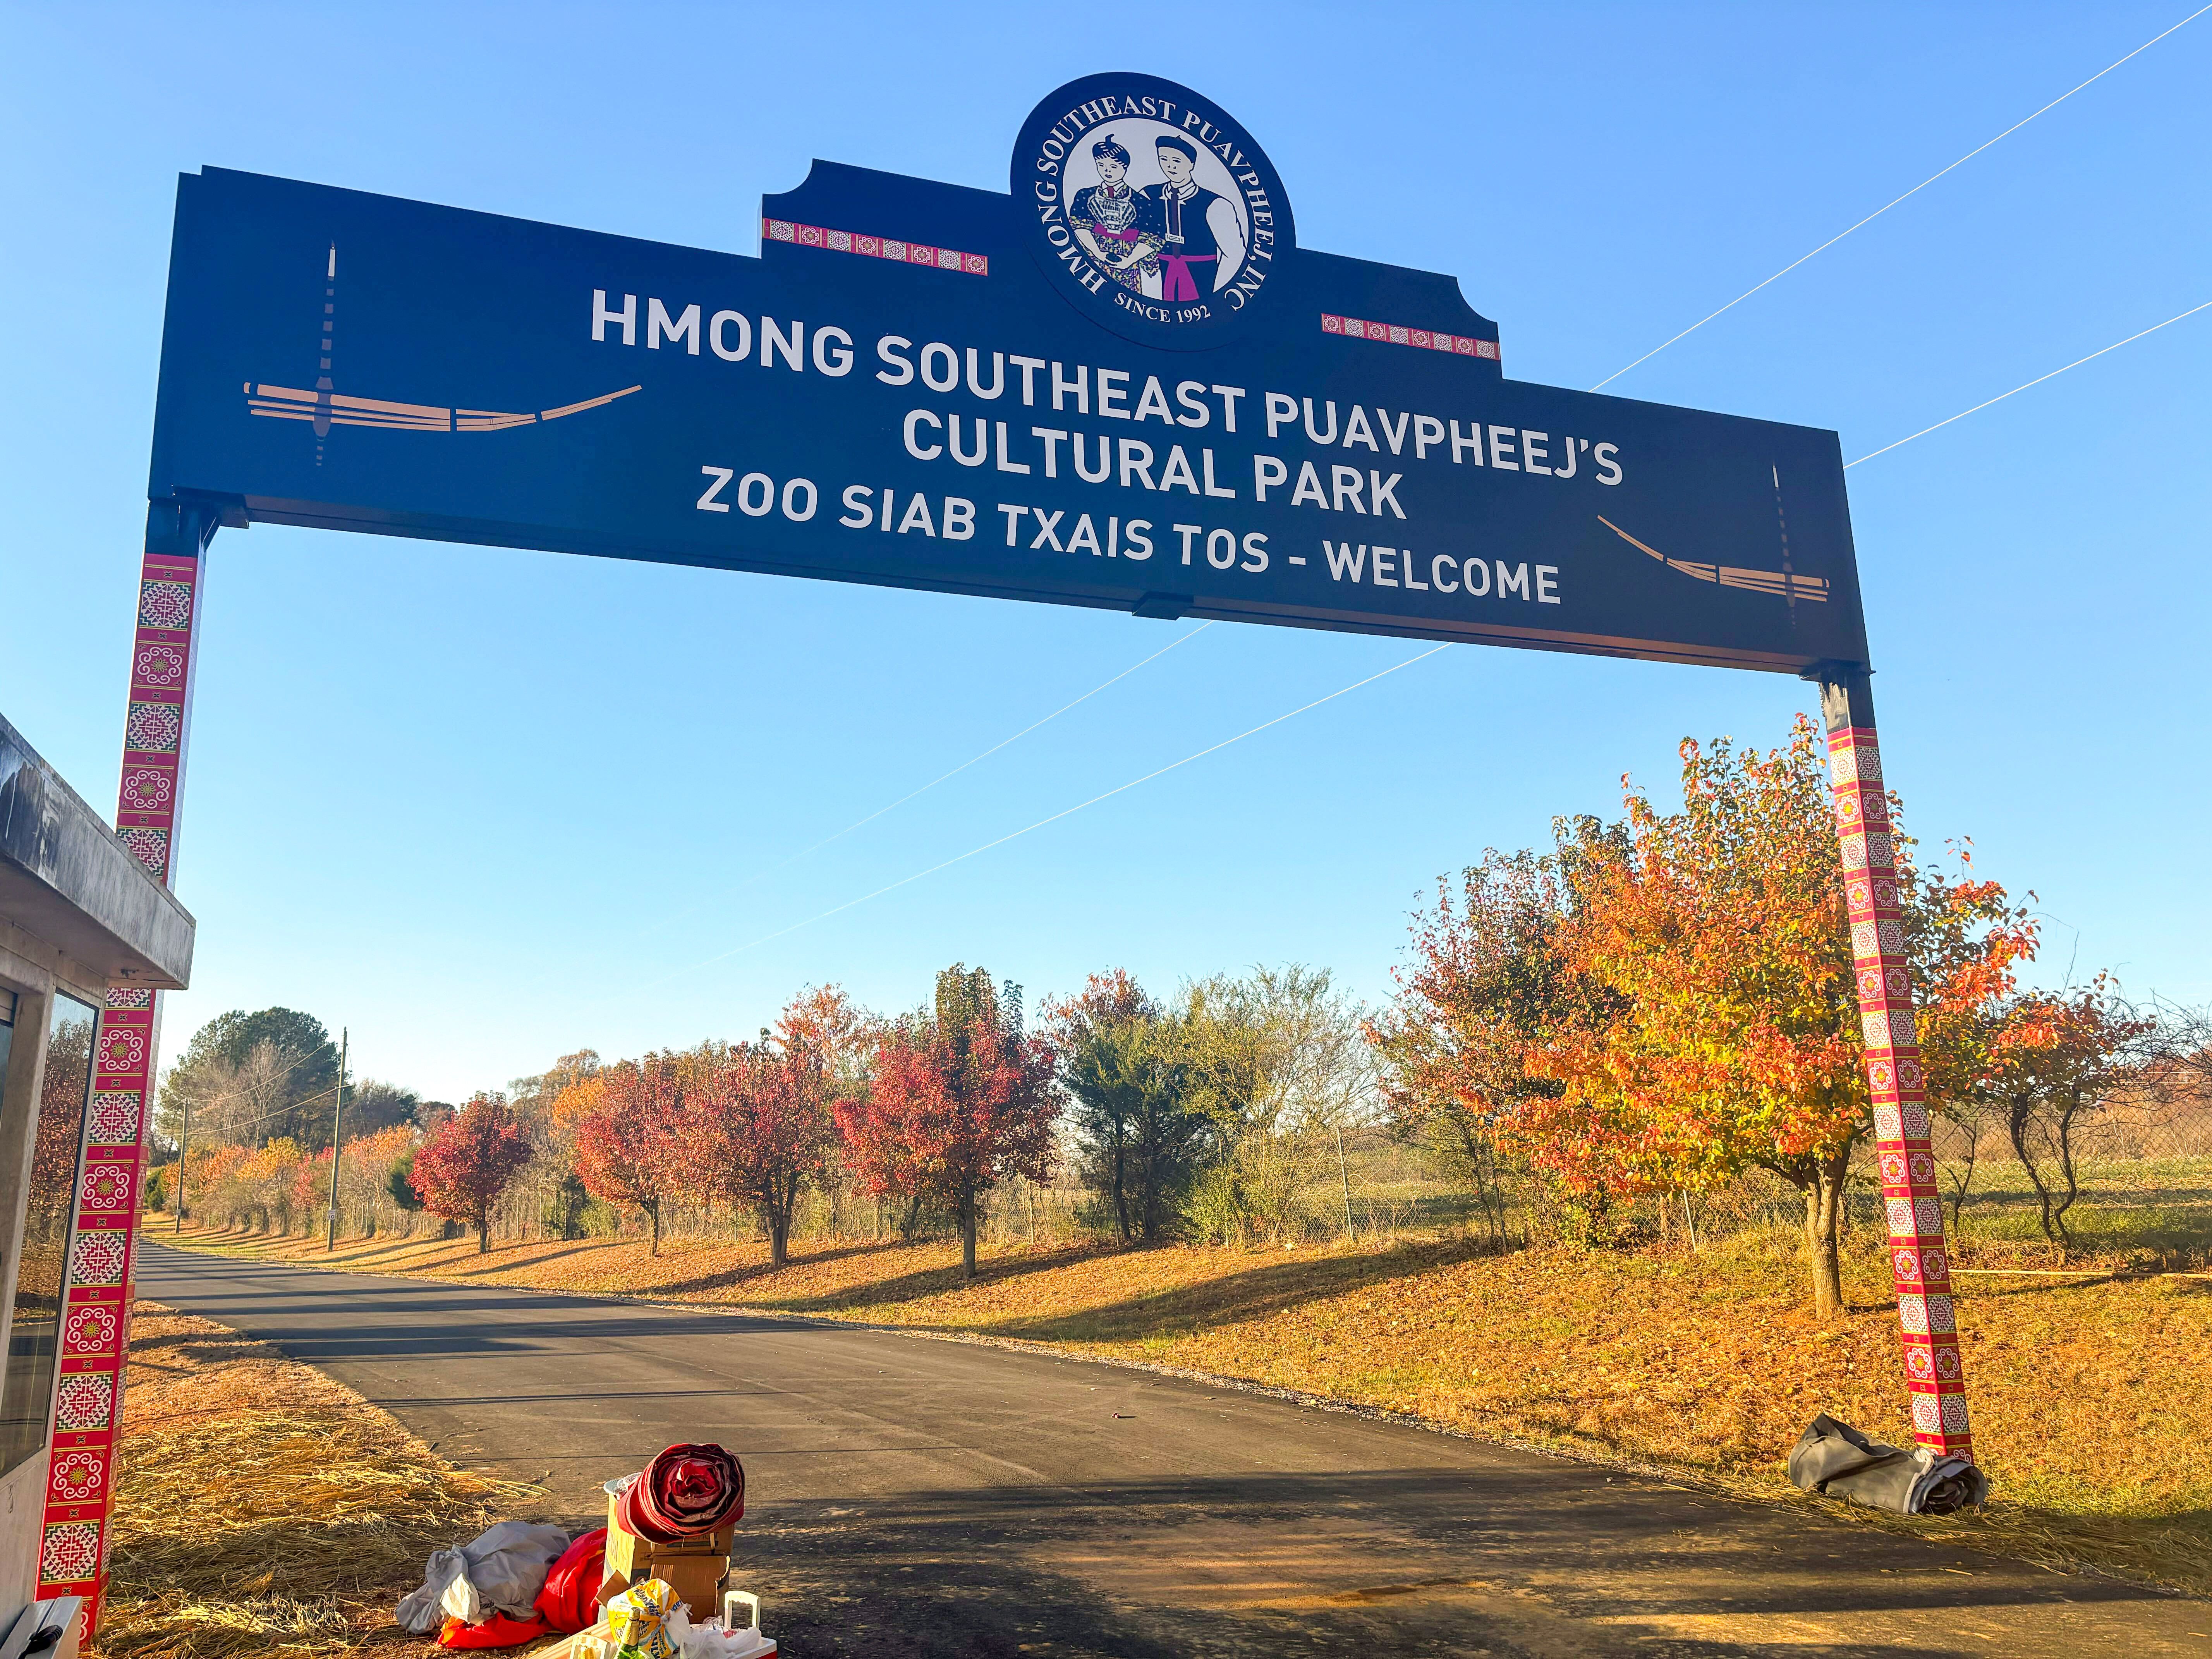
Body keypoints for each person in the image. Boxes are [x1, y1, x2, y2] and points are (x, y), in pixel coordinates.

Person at [1149, 135, 1245, 301]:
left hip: (1201, 279)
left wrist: (1218, 296)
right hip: (1159, 277)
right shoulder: (1149, 195)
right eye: (1163, 159)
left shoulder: (1215, 204)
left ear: (1191, 164)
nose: (1170, 166)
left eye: (1177, 161)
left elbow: (1235, 255)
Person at [1068, 134, 1161, 293]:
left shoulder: (1141, 202)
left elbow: (1153, 237)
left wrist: (1130, 260)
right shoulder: (1085, 195)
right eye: (1101, 165)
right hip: (1091, 260)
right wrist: (1097, 252)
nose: (1107, 171)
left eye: (1114, 166)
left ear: (1125, 167)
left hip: (1127, 263)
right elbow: (1078, 226)